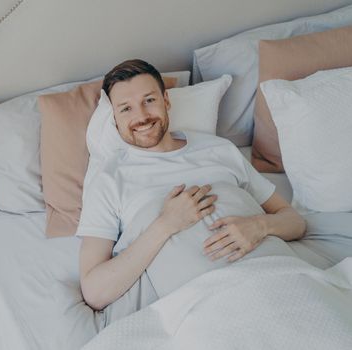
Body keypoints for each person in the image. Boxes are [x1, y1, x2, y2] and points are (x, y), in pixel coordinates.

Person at [76, 59, 306, 311]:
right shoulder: (109, 178)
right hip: (204, 303)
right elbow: (95, 292)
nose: (141, 116)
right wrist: (166, 224)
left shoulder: (219, 149)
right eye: (126, 108)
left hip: (275, 277)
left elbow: (295, 222)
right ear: (115, 119)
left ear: (166, 100)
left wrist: (259, 226)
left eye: (149, 100)